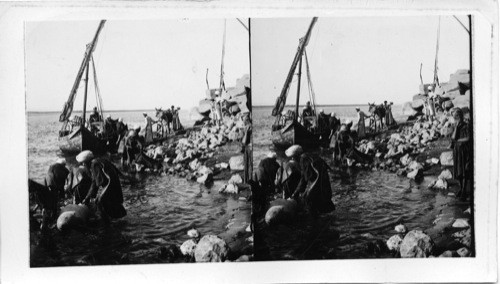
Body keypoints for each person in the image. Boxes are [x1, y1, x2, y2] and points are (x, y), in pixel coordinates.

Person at [78, 150, 126, 223]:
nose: (83, 165)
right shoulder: (100, 160)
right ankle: (119, 219)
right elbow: (96, 181)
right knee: (114, 202)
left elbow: (97, 182)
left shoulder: (94, 164)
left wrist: (88, 197)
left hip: (109, 184)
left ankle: (106, 223)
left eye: (83, 163)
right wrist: (89, 196)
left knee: (99, 202)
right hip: (114, 183)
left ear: (86, 162)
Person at [451, 108, 472, 201]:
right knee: (458, 171)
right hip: (457, 151)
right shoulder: (455, 126)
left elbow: (468, 138)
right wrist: (456, 127)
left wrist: (458, 140)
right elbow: (453, 137)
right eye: (454, 117)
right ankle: (461, 188)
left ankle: (463, 189)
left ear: (460, 116)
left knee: (464, 171)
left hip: (464, 150)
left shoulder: (466, 126)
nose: (456, 119)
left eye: (456, 117)